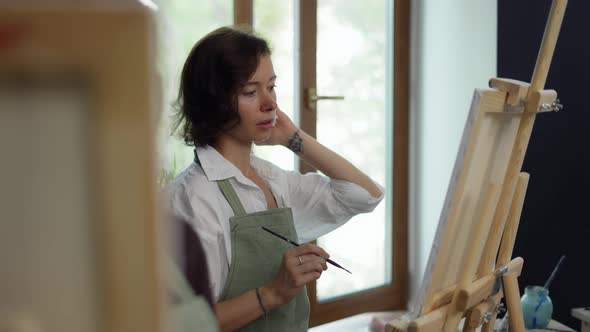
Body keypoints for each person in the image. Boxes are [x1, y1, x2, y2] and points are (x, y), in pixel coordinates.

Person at [165, 25, 384, 331]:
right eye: (251, 92)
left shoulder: (270, 179)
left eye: (271, 87)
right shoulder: (193, 199)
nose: (270, 104)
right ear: (214, 101)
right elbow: (187, 325)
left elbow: (365, 195)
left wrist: (294, 137)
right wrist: (272, 293)